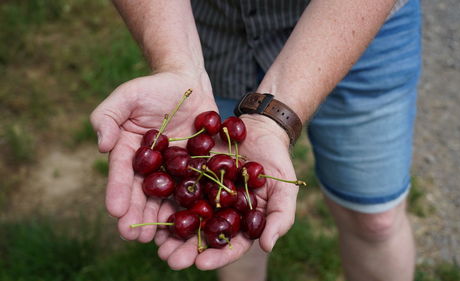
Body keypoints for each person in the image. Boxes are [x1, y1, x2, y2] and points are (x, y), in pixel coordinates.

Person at [90, 0, 421, 280]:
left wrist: (275, 119)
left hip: (353, 24)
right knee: (237, 232)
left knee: (376, 218)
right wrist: (177, 64)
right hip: (205, 29)